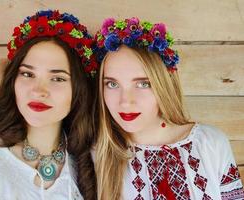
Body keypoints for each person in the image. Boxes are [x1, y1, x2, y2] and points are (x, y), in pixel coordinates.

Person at [0, 9, 97, 200]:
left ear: (79, 89)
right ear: (13, 81)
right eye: (28, 74)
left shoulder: (87, 170)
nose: (38, 90)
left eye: (58, 78)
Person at [93, 17, 244, 200]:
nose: (125, 102)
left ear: (163, 85)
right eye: (112, 84)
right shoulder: (97, 158)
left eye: (143, 84)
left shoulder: (210, 143)